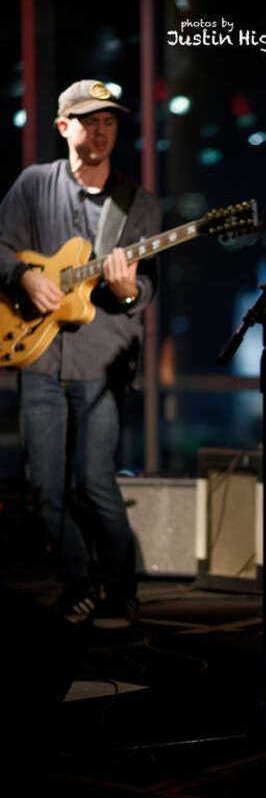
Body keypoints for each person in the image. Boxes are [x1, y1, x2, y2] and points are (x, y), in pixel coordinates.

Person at [0, 80, 161, 626]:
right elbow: (1, 248)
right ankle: (79, 584)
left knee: (93, 483)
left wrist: (127, 289)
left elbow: (147, 290)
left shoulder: (137, 204)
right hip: (39, 359)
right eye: (89, 120)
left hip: (101, 360)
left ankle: (120, 588)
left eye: (110, 121)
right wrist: (24, 276)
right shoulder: (32, 185)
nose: (101, 130)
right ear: (64, 126)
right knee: (44, 489)